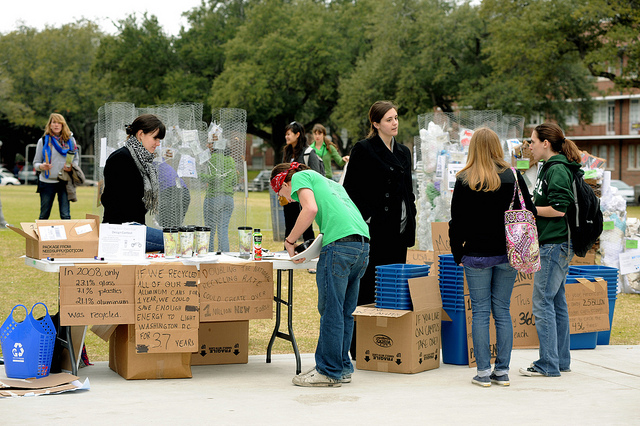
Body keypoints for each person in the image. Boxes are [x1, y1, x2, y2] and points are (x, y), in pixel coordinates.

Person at [449, 128, 537, 387]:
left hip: (475, 254)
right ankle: (503, 371)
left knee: (479, 313)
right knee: (502, 311)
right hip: (508, 253)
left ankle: (483, 373)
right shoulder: (513, 176)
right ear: (497, 147)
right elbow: (528, 211)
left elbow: (457, 221)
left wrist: (458, 253)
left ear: (473, 147)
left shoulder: (464, 178)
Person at [271, 162, 369, 387]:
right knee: (345, 310)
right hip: (362, 245)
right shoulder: (329, 183)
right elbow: (339, 218)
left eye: (282, 193)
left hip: (340, 246)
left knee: (331, 310)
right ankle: (342, 367)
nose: (288, 198)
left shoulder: (300, 177)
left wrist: (290, 240)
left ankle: (328, 371)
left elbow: (310, 209)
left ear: (284, 182)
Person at [343, 101, 416, 357]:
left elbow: (408, 190)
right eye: (388, 119)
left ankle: (390, 343)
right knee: (366, 286)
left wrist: (411, 216)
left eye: (396, 117)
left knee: (394, 288)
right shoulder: (363, 149)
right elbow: (351, 190)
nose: (394, 123)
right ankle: (358, 345)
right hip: (373, 231)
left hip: (398, 229)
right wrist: (367, 218)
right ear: (375, 123)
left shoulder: (404, 151)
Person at [520, 122, 581, 378]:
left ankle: (548, 364)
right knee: (556, 302)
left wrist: (530, 211)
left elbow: (559, 208)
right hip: (555, 244)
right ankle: (560, 360)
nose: (529, 146)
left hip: (554, 245)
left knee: (542, 302)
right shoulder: (550, 168)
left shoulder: (557, 170)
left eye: (532, 142)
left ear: (545, 143)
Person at [101, 114, 166, 253]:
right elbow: (114, 201)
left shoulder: (142, 161)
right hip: (120, 230)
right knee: (175, 242)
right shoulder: (121, 158)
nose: (158, 143)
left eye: (159, 139)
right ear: (141, 134)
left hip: (133, 228)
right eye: (155, 138)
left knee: (180, 239)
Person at [281, 121, 323, 256]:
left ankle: (310, 255)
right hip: (289, 197)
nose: (286, 137)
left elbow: (315, 175)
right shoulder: (287, 152)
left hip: (303, 197)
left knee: (306, 227)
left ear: (297, 134)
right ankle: (288, 253)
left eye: (289, 134)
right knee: (289, 224)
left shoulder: (308, 153)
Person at [33, 113, 79, 220]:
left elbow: (76, 160)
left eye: (59, 123)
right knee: (44, 214)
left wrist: (72, 167)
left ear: (63, 125)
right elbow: (36, 163)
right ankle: (41, 237)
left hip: (64, 181)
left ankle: (67, 237)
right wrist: (41, 166)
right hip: (47, 182)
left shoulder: (71, 141)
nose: (56, 125)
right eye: (54, 122)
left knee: (65, 215)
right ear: (50, 125)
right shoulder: (43, 141)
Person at [202, 140, 237, 252]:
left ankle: (209, 257)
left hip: (213, 198)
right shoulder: (231, 160)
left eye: (210, 143)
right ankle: (225, 258)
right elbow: (234, 181)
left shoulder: (214, 158)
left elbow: (213, 178)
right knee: (223, 229)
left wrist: (196, 175)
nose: (208, 145)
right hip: (228, 199)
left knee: (210, 231)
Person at [157, 148, 191, 228]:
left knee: (165, 227)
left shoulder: (150, 164)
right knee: (175, 227)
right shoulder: (163, 164)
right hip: (184, 193)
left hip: (170, 193)